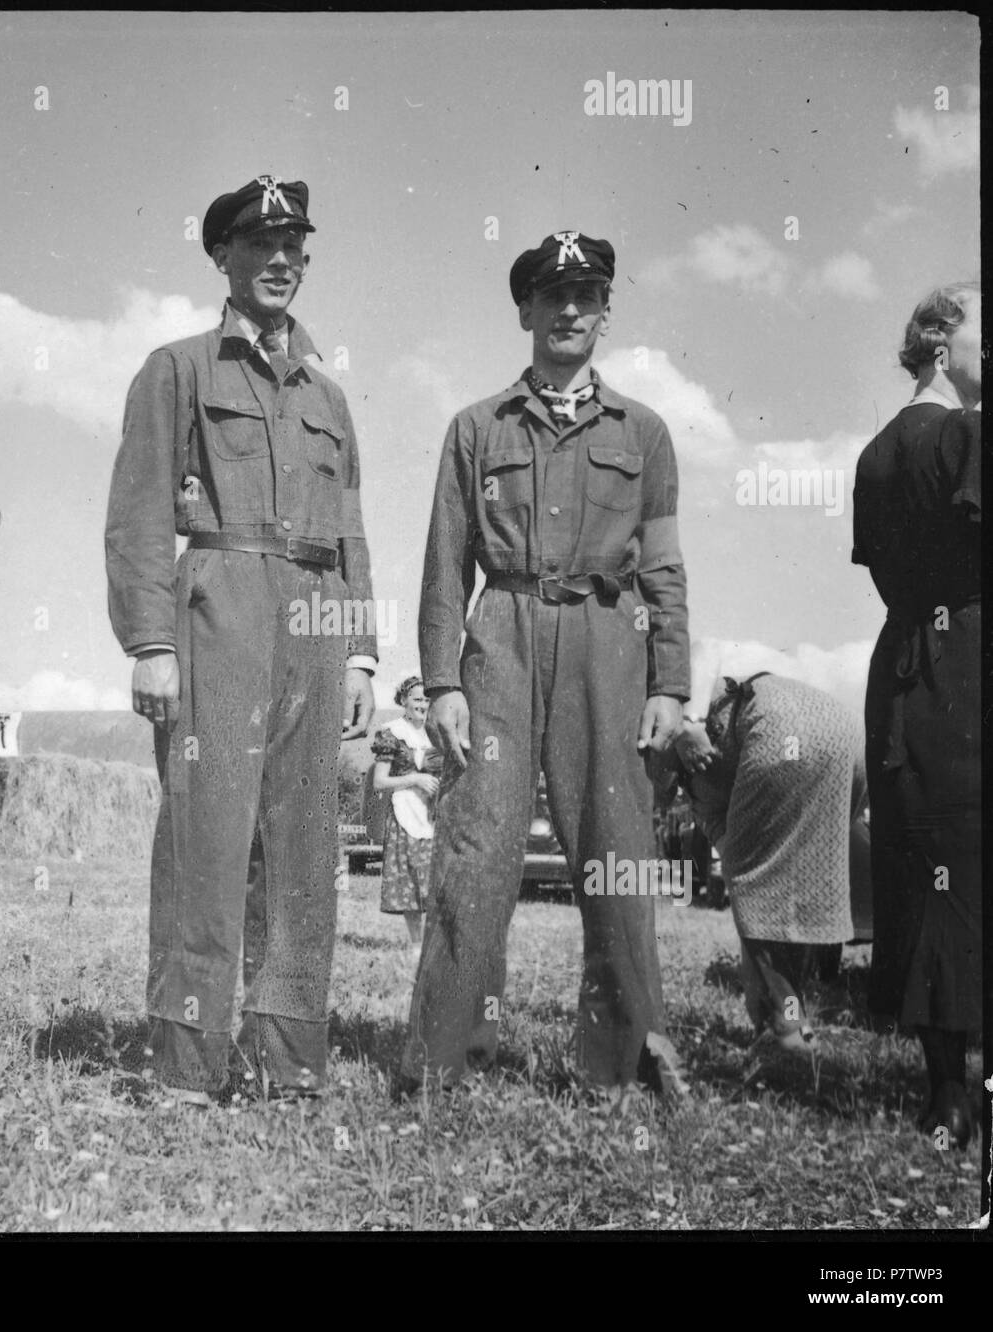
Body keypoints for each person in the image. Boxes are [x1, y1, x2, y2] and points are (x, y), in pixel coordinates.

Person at [105, 175, 377, 1107]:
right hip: (218, 612)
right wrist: (151, 642)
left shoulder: (329, 397)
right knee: (207, 840)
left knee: (302, 851)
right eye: (260, 247)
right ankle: (187, 1066)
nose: (280, 263)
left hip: (313, 625)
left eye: (294, 248)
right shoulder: (177, 368)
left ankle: (289, 1062)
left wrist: (363, 653)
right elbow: (140, 515)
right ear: (224, 256)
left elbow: (350, 533)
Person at [403, 230, 691, 1097]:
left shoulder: (644, 434)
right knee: (476, 848)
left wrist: (671, 681)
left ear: (607, 312)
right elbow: (445, 563)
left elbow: (665, 565)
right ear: (526, 309)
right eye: (553, 296)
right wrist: (445, 681)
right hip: (505, 637)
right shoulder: (476, 427)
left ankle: (622, 1061)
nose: (571, 311)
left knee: (616, 850)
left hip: (609, 644)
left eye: (590, 296)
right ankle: (442, 1062)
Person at [852, 281, 982, 1148]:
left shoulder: (873, 454)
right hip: (972, 659)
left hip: (903, 674)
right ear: (942, 345)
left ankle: (946, 1097)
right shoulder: (970, 436)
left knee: (936, 873)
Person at [658, 653, 869, 1065]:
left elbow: (745, 876)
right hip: (848, 735)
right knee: (797, 888)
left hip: (777, 729)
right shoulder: (697, 785)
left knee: (760, 894)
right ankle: (787, 1017)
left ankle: (790, 1033)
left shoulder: (668, 722)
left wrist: (686, 727)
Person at [370, 676, 442, 950]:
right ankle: (416, 945)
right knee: (412, 879)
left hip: (436, 814)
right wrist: (415, 779)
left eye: (426, 699)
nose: (422, 705)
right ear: (403, 701)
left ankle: (437, 946)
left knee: (437, 878)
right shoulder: (391, 732)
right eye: (416, 699)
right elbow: (380, 781)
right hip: (404, 812)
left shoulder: (438, 731)